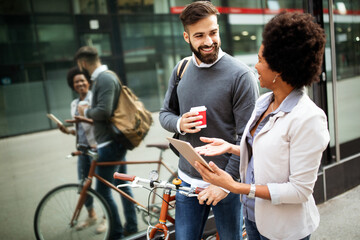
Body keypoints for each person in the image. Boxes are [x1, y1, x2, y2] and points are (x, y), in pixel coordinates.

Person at [194, 12, 330, 240]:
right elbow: (270, 153)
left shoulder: (309, 118)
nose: (255, 66)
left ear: (280, 69)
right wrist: (231, 147)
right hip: (253, 217)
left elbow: (299, 191)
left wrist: (237, 187)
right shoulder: (263, 102)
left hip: (283, 230)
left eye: (260, 59)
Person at [159, 1, 259, 239]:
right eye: (199, 35)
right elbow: (164, 115)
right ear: (187, 37)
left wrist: (226, 184)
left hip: (227, 182)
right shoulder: (181, 69)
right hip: (187, 180)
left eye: (213, 33)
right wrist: (179, 123)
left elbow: (249, 137)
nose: (208, 41)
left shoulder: (241, 75)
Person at [74, 46, 138, 239]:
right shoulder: (102, 78)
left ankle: (117, 233)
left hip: (110, 144)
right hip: (112, 142)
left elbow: (104, 111)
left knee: (103, 192)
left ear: (83, 63)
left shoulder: (104, 78)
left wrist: (85, 111)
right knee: (121, 184)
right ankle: (132, 227)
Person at [57, 67, 98, 230]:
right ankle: (91, 215)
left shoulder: (94, 99)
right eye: (76, 82)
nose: (80, 83)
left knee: (102, 185)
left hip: (95, 148)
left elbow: (99, 125)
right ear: (72, 85)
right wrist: (67, 130)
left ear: (88, 82)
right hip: (81, 149)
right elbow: (80, 130)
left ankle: (104, 218)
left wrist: (85, 114)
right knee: (83, 184)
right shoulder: (74, 103)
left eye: (82, 80)